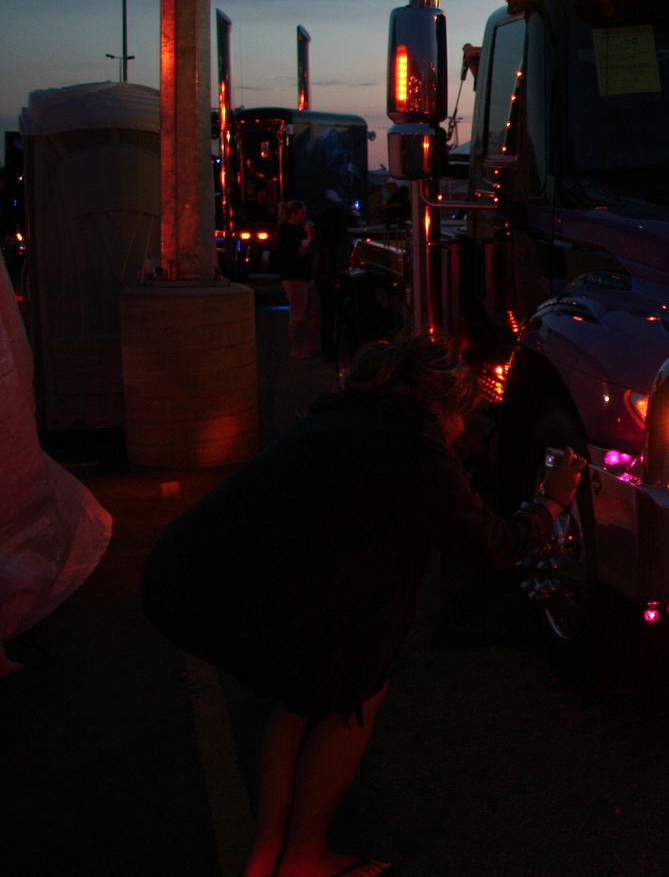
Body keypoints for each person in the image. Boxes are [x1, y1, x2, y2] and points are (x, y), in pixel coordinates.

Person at [141, 333, 588, 877]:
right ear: (437, 403)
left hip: (188, 576)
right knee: (353, 692)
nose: (462, 430)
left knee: (298, 699)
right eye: (460, 415)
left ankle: (268, 855)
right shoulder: (408, 440)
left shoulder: (351, 419)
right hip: (231, 593)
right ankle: (303, 856)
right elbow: (489, 544)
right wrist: (551, 500)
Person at [271, 200, 316, 358]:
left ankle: (308, 346)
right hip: (294, 275)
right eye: (302, 213)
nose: (305, 216)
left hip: (302, 275)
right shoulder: (286, 232)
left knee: (309, 311)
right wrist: (302, 250)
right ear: (294, 214)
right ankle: (296, 349)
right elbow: (288, 253)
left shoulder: (297, 230)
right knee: (297, 314)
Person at [310, 205, 354, 363]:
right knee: (340, 315)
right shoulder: (341, 235)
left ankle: (327, 348)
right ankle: (340, 348)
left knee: (327, 315)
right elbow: (343, 258)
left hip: (321, 278)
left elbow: (313, 254)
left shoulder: (319, 234)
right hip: (336, 279)